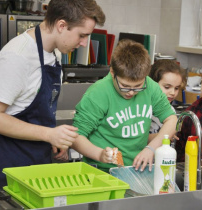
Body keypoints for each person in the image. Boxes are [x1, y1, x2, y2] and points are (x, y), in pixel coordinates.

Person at [0, 0, 106, 188]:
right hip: (7, 169)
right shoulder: (18, 56)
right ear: (61, 25)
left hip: (37, 165)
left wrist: (57, 138)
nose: (83, 44)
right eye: (82, 35)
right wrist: (48, 134)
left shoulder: (53, 55)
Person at [71, 39, 177, 173]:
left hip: (137, 168)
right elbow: (76, 136)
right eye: (125, 86)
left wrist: (150, 149)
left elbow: (171, 120)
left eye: (138, 86)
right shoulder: (98, 93)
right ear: (112, 72)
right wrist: (99, 154)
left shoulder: (151, 87)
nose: (131, 92)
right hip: (101, 170)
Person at [148, 59, 187, 141]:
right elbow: (139, 140)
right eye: (167, 87)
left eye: (176, 88)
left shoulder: (170, 110)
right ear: (152, 84)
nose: (173, 92)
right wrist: (163, 136)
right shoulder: (145, 108)